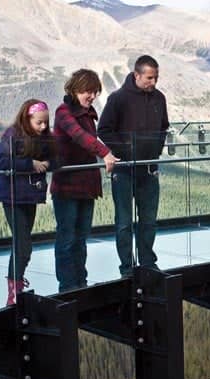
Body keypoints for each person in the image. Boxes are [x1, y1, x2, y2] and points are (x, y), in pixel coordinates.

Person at [98, 55, 169, 277]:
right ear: (136, 75)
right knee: (124, 222)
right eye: (149, 78)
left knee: (149, 219)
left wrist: (155, 151)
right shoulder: (118, 99)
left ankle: (147, 262)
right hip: (124, 170)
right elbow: (104, 130)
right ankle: (127, 267)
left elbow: (164, 127)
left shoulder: (159, 98)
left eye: (156, 78)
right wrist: (125, 150)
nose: (153, 82)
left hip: (149, 168)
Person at [51, 69, 119, 291]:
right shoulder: (64, 113)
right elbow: (81, 137)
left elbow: (87, 139)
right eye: (87, 91)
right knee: (67, 238)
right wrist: (105, 152)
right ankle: (68, 285)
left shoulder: (87, 113)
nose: (91, 96)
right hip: (67, 185)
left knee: (80, 238)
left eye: (94, 92)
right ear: (75, 88)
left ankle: (80, 282)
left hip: (86, 185)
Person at [0, 99, 52, 305]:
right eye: (39, 123)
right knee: (23, 242)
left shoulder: (45, 137)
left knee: (24, 243)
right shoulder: (12, 135)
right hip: (12, 196)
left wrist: (47, 163)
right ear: (27, 119)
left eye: (46, 122)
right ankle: (14, 290)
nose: (43, 127)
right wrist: (30, 164)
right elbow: (1, 161)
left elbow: (56, 157)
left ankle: (16, 285)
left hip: (30, 196)